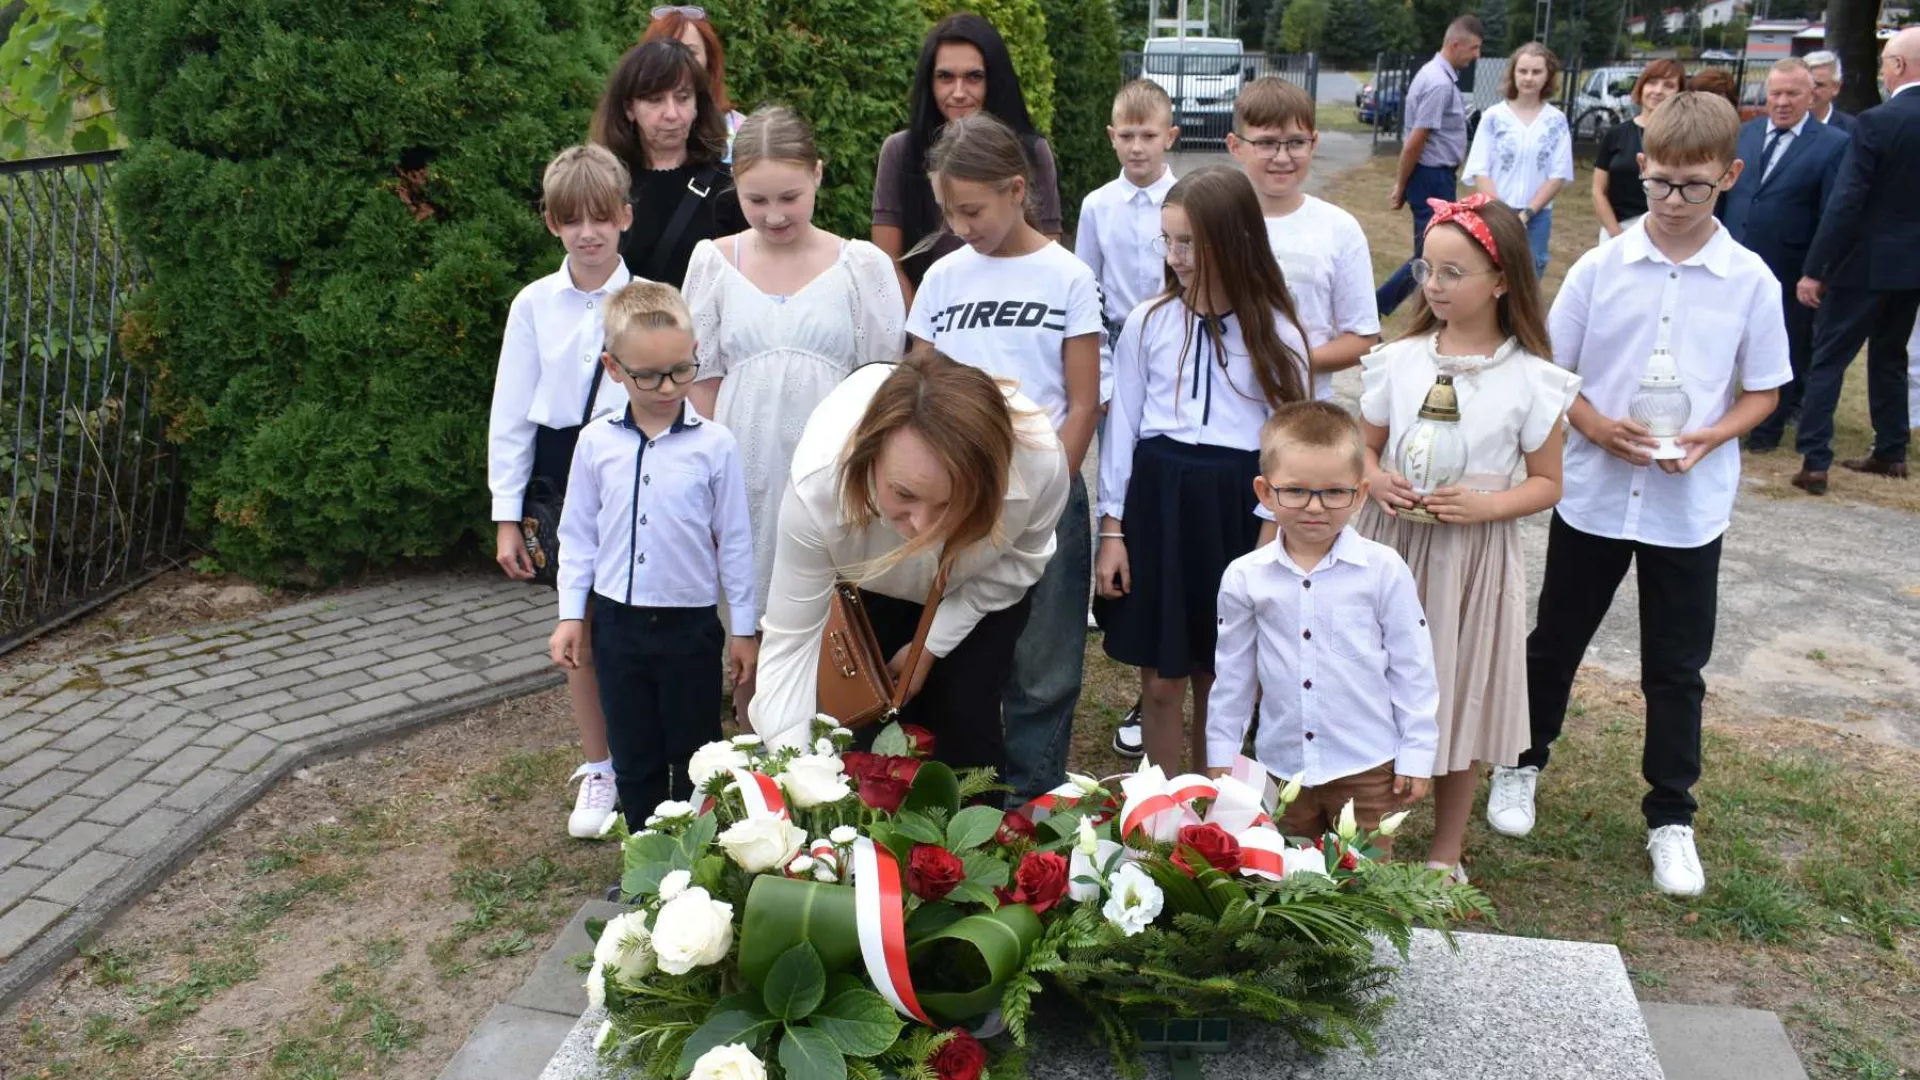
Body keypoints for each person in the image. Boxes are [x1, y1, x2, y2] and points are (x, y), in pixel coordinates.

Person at [1493, 94, 1789, 898]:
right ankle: (1519, 762)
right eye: (1657, 182)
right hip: (1595, 493)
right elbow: (1557, 374)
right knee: (1556, 639)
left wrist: (1709, 436)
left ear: (1728, 176)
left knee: (1676, 665)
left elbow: (1763, 391)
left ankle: (1671, 817)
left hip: (1685, 507)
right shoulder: (1601, 266)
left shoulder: (1749, 281)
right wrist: (1591, 424)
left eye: (1692, 186)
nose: (1671, 201)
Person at [1355, 195, 1577, 884]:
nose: (1434, 285)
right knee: (1375, 688)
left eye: (1455, 272)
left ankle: (1444, 851)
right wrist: (1373, 480)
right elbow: (1360, 448)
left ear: (1503, 279)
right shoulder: (1399, 360)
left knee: (1457, 695)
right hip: (1389, 549)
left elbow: (1547, 483)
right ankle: (1372, 838)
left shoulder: (1532, 381)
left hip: (1469, 560)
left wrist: (1484, 506)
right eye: (1428, 268)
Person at [905, 113, 1102, 805]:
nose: (960, 224)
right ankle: (963, 802)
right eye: (949, 211)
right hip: (956, 497)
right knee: (961, 647)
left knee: (1043, 665)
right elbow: (917, 387)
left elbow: (1083, 403)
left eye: (972, 209)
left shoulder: (1067, 276)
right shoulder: (943, 278)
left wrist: (1053, 494)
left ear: (1017, 190)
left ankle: (1034, 802)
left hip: (1047, 493)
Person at [746, 352, 1070, 768]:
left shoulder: (1039, 460)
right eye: (903, 494)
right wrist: (796, 777)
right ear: (871, 457)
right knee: (861, 734)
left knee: (966, 724)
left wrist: (930, 645)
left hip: (978, 586)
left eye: (951, 504)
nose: (923, 528)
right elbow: (791, 646)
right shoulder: (818, 484)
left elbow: (1021, 561)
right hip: (871, 586)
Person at [1094, 166, 1311, 775]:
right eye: (1167, 240)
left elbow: (1289, 449)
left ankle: (1213, 821)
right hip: (1159, 507)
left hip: (1236, 513)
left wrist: (1270, 546)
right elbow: (1123, 434)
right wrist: (1113, 532)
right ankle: (1165, 812)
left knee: (1222, 681)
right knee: (1162, 683)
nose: (1175, 256)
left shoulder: (1279, 334)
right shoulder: (1147, 323)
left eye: (1187, 241)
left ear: (1233, 240)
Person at [684, 107, 907, 660]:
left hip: (832, 480)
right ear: (734, 186)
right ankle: (751, 736)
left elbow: (885, 387)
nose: (774, 215)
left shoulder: (862, 267)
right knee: (749, 633)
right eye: (756, 200)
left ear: (818, 174)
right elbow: (701, 381)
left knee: (832, 636)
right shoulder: (713, 263)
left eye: (789, 196)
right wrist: (707, 483)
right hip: (744, 479)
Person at [549, 281, 758, 830]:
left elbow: (734, 540)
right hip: (616, 624)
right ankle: (643, 853)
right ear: (613, 369)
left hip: (690, 627)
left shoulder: (716, 445)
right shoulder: (595, 443)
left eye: (681, 370)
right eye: (648, 375)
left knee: (695, 752)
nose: (667, 386)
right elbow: (578, 535)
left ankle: (695, 860)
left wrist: (742, 628)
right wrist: (573, 614)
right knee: (633, 747)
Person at [1205, 402, 1439, 854]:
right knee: (1287, 880)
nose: (1315, 507)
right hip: (1282, 768)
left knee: (1366, 888)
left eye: (1334, 492)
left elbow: (1412, 669)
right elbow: (1233, 677)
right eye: (1295, 491)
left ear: (1360, 493)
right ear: (1264, 492)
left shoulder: (1383, 570)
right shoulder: (1245, 577)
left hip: (1368, 766)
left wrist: (1415, 753)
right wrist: (1221, 758)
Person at [489, 145, 637, 840]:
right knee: (578, 617)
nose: (588, 232)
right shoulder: (533, 306)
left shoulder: (649, 302)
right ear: (550, 222)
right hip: (560, 468)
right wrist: (506, 514)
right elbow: (511, 410)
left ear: (625, 217)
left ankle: (651, 762)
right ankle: (600, 764)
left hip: (634, 466)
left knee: (639, 617)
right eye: (572, 219)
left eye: (601, 217)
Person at [1075, 78, 1180, 759]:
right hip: (1120, 358)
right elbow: (1086, 290)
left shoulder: (1187, 201)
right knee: (1122, 486)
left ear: (1171, 136)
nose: (1138, 147)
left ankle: (1161, 679)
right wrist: (1104, 377)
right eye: (1127, 134)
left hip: (1175, 356)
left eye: (1150, 135)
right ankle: (1117, 584)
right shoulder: (1097, 205)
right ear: (1112, 136)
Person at [1790, 28, 1920, 494]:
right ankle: (1892, 450)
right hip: (1913, 267)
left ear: (1900, 67)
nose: (1882, 70)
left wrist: (1815, 267)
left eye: (1886, 62)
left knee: (1828, 357)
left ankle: (1815, 459)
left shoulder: (1876, 122)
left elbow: (1846, 201)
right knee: (1890, 355)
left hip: (1863, 262)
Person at [873, 13, 1064, 305]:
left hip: (1014, 317)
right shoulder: (901, 152)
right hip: (925, 327)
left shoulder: (1031, 153)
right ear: (929, 82)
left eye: (974, 77)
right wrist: (925, 335)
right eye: (945, 77)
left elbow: (1049, 257)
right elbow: (888, 266)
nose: (959, 93)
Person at [1719, 59, 1849, 454]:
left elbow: (1831, 212)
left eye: (1793, 93)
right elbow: (1727, 195)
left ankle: (1766, 430)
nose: (1782, 101)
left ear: (1811, 96)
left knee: (1782, 347)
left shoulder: (1833, 144)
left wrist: (1815, 271)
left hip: (1788, 265)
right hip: (1734, 256)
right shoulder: (1744, 134)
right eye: (1775, 93)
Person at [1229, 77, 1380, 401]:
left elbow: (1364, 337)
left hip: (1302, 414)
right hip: (1223, 419)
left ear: (1314, 143)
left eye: (1296, 142)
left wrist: (1292, 361)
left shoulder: (1339, 229)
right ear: (1235, 146)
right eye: (1266, 143)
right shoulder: (1217, 222)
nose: (1282, 157)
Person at [592, 40, 748, 287]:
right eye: (655, 100)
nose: (672, 113)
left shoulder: (729, 189)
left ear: (698, 106)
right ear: (629, 109)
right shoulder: (606, 187)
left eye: (683, 98)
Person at [1376, 15, 1483, 317]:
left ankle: (1411, 311)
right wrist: (1401, 184)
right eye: (1474, 48)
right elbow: (1415, 141)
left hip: (1434, 176)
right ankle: (1378, 305)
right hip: (1431, 177)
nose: (1477, 56)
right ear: (1455, 44)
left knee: (1431, 253)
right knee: (1430, 255)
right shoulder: (1438, 83)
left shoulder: (1436, 75)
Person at [1463, 44, 1574, 277]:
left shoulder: (1556, 121)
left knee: (1529, 279)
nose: (1529, 78)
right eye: (1523, 71)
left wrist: (1527, 214)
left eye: (1536, 72)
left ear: (1548, 76)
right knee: (1491, 275)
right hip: (1496, 213)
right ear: (1513, 73)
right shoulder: (1494, 117)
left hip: (1536, 217)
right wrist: (1503, 214)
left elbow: (1557, 175)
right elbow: (1480, 169)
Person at [1592, 60, 1685, 243]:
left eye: (1668, 85)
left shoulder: (1684, 139)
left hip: (1662, 236)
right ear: (1641, 86)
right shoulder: (1615, 134)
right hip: (1616, 232)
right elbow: (1598, 191)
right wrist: (1616, 235)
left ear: (1679, 93)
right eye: (1652, 82)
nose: (1658, 90)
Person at [641, 5, 748, 162]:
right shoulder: (630, 133)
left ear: (709, 61)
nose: (678, 61)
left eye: (690, 52)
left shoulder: (743, 134)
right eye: (667, 50)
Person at [1804, 50, 1854, 132]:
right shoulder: (1780, 124)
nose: (1810, 90)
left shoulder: (1852, 129)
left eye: (1818, 85)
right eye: (1805, 84)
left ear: (1836, 87)